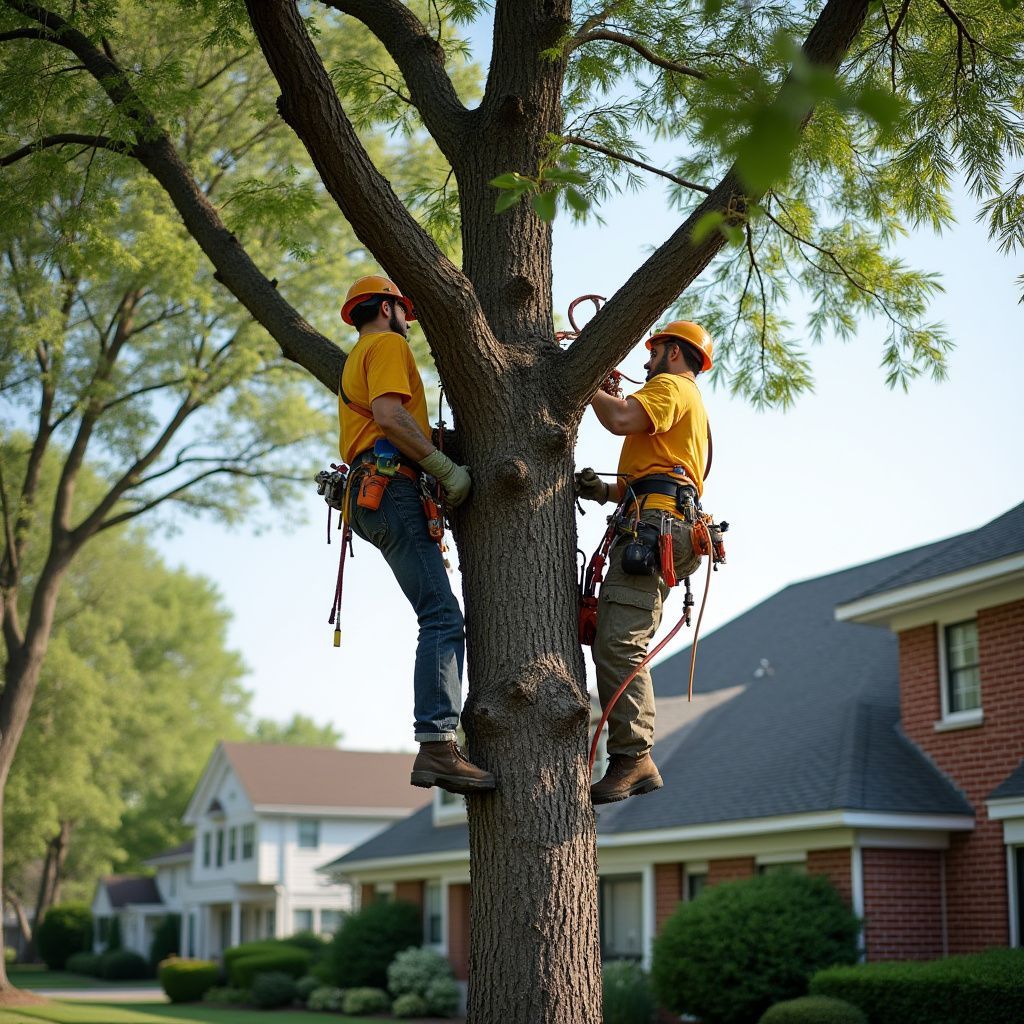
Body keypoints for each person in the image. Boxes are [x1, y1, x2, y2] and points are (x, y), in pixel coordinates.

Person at [338, 274, 495, 795]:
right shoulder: (385, 343)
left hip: (373, 495)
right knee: (441, 615)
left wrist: (439, 447)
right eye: (404, 310)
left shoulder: (356, 354)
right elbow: (387, 416)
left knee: (436, 613)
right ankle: (437, 745)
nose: (409, 321)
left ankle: (438, 742)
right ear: (387, 308)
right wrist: (444, 468)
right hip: (393, 488)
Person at [575, 321, 713, 804]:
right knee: (613, 638)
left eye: (652, 352)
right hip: (654, 518)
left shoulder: (672, 386)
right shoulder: (680, 399)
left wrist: (587, 382)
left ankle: (634, 757)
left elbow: (619, 419)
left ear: (675, 353)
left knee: (619, 644)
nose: (645, 363)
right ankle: (631, 755)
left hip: (656, 528)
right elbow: (658, 477)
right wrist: (607, 491)